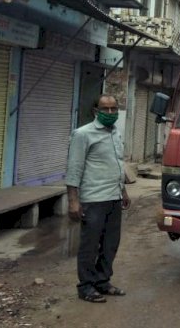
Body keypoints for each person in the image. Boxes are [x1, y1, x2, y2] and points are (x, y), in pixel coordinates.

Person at [66, 94, 130, 303]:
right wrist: (73, 200)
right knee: (90, 245)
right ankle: (85, 286)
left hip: (114, 197)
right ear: (96, 111)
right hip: (93, 198)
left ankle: (102, 281)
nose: (110, 113)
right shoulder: (83, 134)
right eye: (106, 109)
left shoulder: (115, 133)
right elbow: (74, 168)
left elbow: (118, 164)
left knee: (111, 243)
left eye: (114, 109)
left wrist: (124, 191)